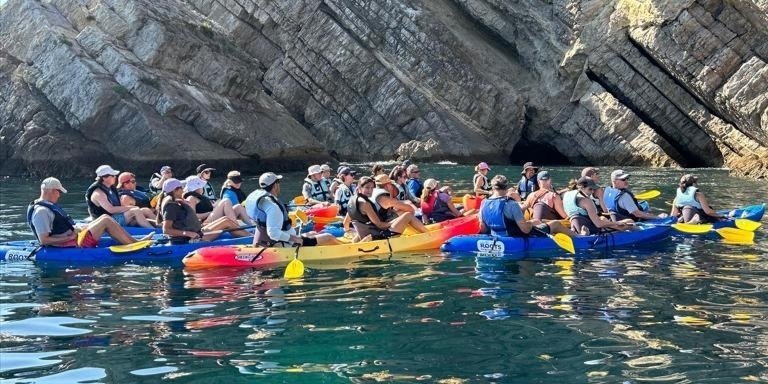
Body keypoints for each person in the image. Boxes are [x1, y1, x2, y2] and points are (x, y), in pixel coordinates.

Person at [28, 177, 150, 247]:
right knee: (106, 220)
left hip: (73, 237)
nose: (59, 195)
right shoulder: (41, 211)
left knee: (104, 217)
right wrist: (71, 236)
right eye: (59, 192)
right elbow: (44, 240)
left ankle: (135, 242)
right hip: (70, 243)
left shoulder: (47, 206)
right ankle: (135, 244)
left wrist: (77, 228)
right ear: (51, 191)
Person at [245, 172, 339, 247]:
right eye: (278, 183)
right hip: (283, 243)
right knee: (328, 237)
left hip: (266, 240)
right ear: (275, 186)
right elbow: (273, 233)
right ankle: (347, 249)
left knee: (313, 233)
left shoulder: (263, 201)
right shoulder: (273, 207)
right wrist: (296, 239)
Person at [158, 178, 250, 244]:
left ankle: (249, 235)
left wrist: (183, 203)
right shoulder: (171, 206)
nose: (183, 190)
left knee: (226, 219)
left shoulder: (174, 200)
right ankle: (251, 239)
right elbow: (166, 230)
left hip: (197, 232)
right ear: (175, 190)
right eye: (181, 188)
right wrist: (188, 233)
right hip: (190, 239)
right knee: (227, 223)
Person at [479, 175, 575, 237]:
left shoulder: (484, 203)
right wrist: (532, 223)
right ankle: (581, 237)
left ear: (493, 187)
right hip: (515, 237)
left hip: (496, 235)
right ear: (506, 187)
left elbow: (483, 228)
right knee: (555, 224)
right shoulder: (511, 204)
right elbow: (525, 229)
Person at [346, 176, 428, 240]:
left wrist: (352, 232)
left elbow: (346, 223)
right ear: (360, 188)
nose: (370, 190)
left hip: (365, 235)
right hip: (379, 236)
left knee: (402, 216)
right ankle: (429, 235)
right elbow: (380, 225)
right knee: (408, 215)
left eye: (371, 188)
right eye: (367, 187)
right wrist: (393, 222)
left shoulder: (352, 201)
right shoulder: (365, 204)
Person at [87, 165, 155, 228]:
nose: (115, 177)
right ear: (104, 178)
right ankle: (152, 230)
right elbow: (111, 210)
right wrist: (131, 207)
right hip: (104, 221)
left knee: (145, 210)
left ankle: (160, 226)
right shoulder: (98, 193)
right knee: (135, 211)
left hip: (115, 217)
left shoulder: (110, 188)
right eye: (113, 176)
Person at [563, 177, 633, 235]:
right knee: (630, 221)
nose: (592, 192)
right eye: (590, 189)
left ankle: (576, 231)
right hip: (590, 228)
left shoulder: (567, 195)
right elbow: (598, 225)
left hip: (575, 226)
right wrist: (617, 223)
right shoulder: (587, 201)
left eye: (593, 189)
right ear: (581, 188)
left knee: (602, 218)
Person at [184, 176, 252, 225]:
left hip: (211, 217)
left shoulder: (200, 197)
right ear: (197, 187)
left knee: (238, 207)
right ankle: (236, 227)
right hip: (205, 222)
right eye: (201, 186)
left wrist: (214, 206)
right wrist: (210, 213)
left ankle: (251, 227)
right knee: (225, 201)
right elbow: (192, 216)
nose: (202, 187)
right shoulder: (191, 198)